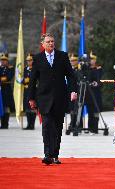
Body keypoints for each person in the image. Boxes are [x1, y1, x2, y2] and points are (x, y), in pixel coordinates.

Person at [28, 33, 77, 165]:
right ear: (43, 44)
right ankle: (48, 155)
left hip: (60, 97)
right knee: (47, 126)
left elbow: (71, 76)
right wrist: (31, 98)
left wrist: (73, 90)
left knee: (57, 127)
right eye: (48, 42)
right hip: (43, 98)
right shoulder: (37, 58)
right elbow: (32, 80)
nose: (51, 43)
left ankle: (55, 155)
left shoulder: (62, 56)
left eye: (52, 41)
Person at [83, 52, 103, 134]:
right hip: (88, 93)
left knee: (95, 111)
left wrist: (97, 83)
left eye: (93, 59)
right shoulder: (86, 69)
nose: (92, 61)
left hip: (96, 93)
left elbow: (100, 80)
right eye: (90, 59)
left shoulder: (98, 68)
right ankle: (90, 128)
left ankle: (95, 128)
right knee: (90, 111)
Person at [0, 53, 14, 129]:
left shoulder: (10, 68)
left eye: (4, 60)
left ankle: (5, 124)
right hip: (0, 90)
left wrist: (2, 79)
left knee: (6, 108)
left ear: (7, 61)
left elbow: (9, 77)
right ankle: (2, 124)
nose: (3, 61)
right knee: (1, 107)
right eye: (2, 60)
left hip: (7, 90)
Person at [22, 54, 36, 130]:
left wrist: (29, 80)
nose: (28, 62)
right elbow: (23, 80)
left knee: (32, 107)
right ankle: (28, 124)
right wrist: (24, 80)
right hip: (26, 90)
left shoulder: (36, 69)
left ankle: (32, 125)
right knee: (27, 108)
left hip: (34, 90)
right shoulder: (25, 69)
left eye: (30, 60)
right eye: (27, 61)